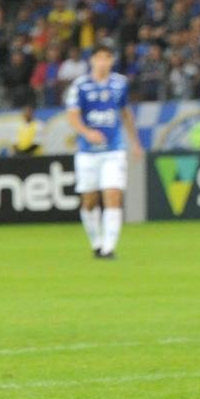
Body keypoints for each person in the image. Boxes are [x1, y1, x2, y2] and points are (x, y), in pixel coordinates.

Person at [64, 43, 143, 259]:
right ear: (92, 61)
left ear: (111, 60)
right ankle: (97, 242)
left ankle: (109, 248)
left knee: (113, 194)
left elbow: (126, 114)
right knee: (89, 201)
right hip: (88, 152)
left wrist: (135, 142)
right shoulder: (79, 86)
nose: (102, 62)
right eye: (98, 58)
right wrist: (87, 132)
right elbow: (72, 116)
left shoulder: (120, 84)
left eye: (107, 58)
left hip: (114, 149)